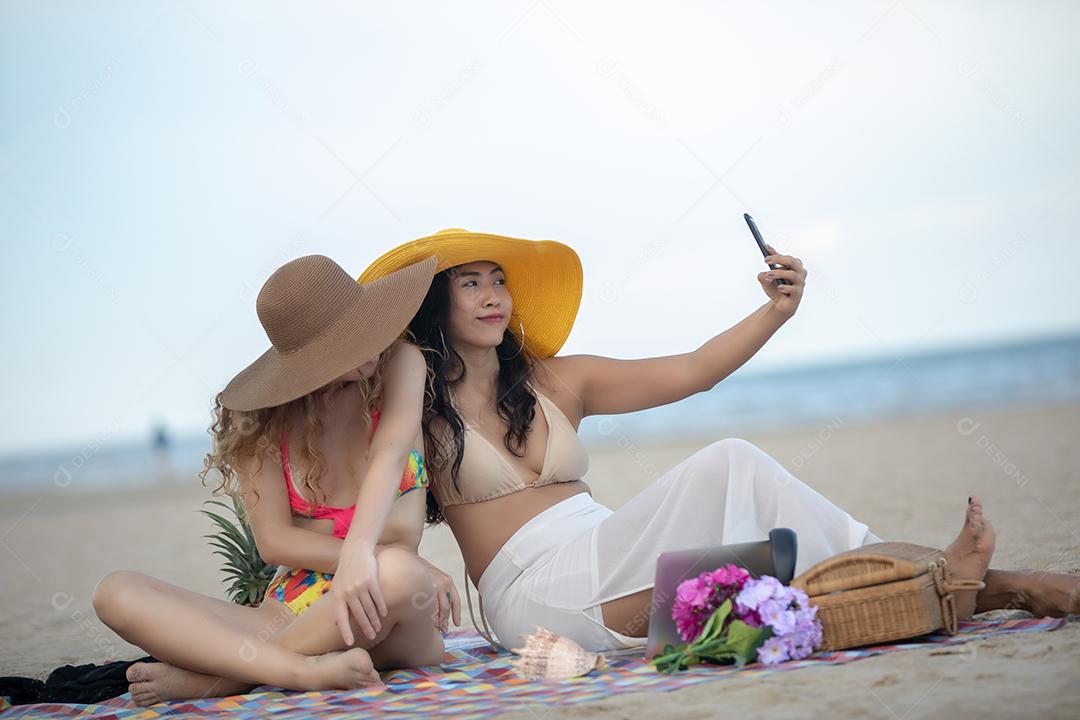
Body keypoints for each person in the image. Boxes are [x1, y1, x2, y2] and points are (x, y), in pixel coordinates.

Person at [358, 228, 1080, 653]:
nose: (492, 295)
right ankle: (970, 575)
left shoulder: (559, 380)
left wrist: (776, 313)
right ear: (433, 306)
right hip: (536, 601)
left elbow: (696, 371)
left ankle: (1003, 585)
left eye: (498, 281)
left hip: (611, 561)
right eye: (469, 284)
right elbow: (372, 451)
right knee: (732, 464)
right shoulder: (415, 398)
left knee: (790, 577)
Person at [92, 254, 461, 706]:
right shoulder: (262, 422)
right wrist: (362, 553)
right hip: (289, 614)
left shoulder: (401, 363)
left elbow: (389, 453)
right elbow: (275, 543)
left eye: (367, 325)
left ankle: (228, 679)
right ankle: (297, 669)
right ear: (310, 359)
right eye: (350, 339)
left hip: (391, 612)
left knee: (401, 573)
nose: (372, 343)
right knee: (115, 591)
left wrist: (363, 556)